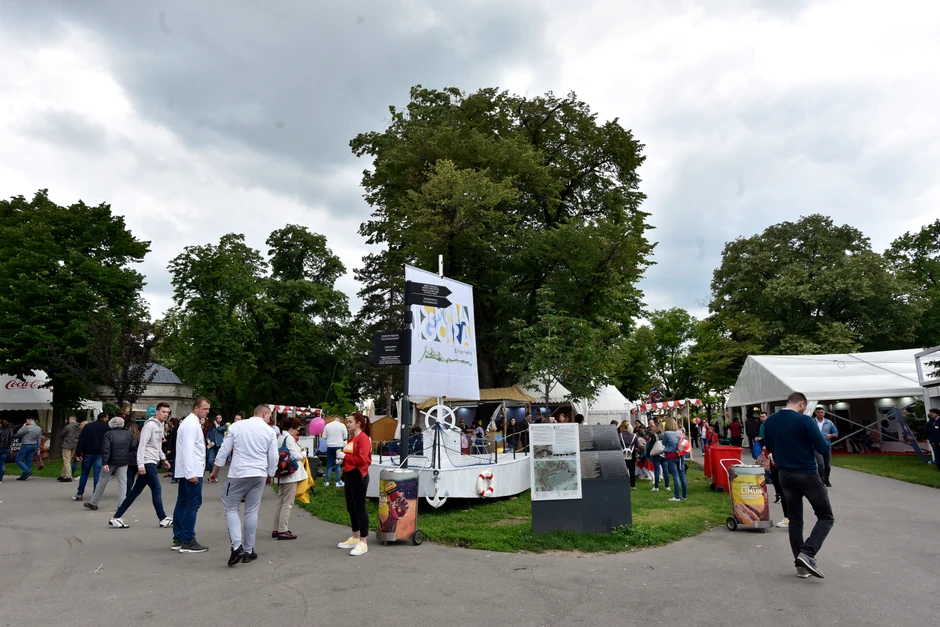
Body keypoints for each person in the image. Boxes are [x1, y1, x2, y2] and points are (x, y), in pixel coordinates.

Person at [763, 391, 833, 579]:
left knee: (795, 520)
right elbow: (822, 448)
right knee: (826, 517)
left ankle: (801, 567)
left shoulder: (770, 421)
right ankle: (807, 553)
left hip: (784, 474)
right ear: (801, 404)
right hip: (807, 473)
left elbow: (769, 446)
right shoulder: (805, 421)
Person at [208, 404, 277, 566]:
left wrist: (215, 470)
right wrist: (270, 474)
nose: (270, 419)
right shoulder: (269, 431)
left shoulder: (237, 426)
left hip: (239, 473)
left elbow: (224, 449)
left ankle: (237, 546)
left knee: (231, 509)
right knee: (252, 511)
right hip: (259, 473)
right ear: (264, 414)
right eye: (269, 416)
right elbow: (273, 456)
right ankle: (248, 550)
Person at [109, 402, 173, 530]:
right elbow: (142, 445)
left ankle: (116, 517)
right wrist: (141, 465)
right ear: (157, 412)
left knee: (134, 492)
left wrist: (163, 458)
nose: (166, 414)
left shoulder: (160, 425)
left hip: (152, 461)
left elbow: (157, 445)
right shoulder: (149, 425)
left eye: (167, 412)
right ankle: (162, 518)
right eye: (163, 412)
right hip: (147, 462)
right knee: (156, 489)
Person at [173, 397, 211, 554]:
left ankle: (179, 538)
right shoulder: (191, 424)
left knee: (183, 503)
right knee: (192, 503)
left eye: (208, 409)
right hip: (192, 470)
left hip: (188, 470)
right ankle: (188, 540)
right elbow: (188, 449)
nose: (207, 412)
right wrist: (190, 472)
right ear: (196, 408)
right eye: (205, 408)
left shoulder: (190, 423)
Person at [336, 412, 372, 557]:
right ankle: (355, 537)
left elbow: (363, 460)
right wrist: (342, 460)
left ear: (358, 423)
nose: (348, 424)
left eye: (350, 421)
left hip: (359, 475)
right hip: (349, 475)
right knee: (351, 507)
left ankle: (363, 541)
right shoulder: (352, 438)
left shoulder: (363, 438)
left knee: (360, 508)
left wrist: (345, 457)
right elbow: (352, 457)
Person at [85, 417, 135, 511]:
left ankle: (94, 502)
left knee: (102, 481)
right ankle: (121, 505)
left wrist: (105, 463)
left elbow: (106, 449)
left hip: (110, 461)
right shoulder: (128, 434)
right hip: (123, 461)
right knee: (122, 483)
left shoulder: (108, 434)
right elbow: (133, 447)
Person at [270, 417, 307, 541]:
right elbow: (295, 456)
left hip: (282, 474)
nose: (298, 432)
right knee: (288, 503)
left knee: (280, 503)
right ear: (291, 429)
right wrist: (304, 453)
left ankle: (276, 528)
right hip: (291, 474)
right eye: (297, 429)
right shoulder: (289, 439)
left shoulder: (280, 438)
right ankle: (283, 529)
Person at [73, 413, 111, 497]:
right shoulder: (107, 427)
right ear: (104, 418)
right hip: (100, 453)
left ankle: (80, 493)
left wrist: (78, 453)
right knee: (97, 474)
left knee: (84, 473)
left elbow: (81, 440)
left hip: (88, 452)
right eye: (107, 417)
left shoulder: (88, 426)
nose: (107, 419)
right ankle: (95, 494)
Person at [661, 418, 688, 502]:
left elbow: (663, 443)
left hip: (671, 456)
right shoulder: (680, 432)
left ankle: (677, 496)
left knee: (675, 476)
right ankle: (684, 495)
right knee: (682, 476)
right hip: (680, 455)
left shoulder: (667, 433)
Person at [812, 407, 838, 487]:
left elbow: (836, 433)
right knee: (820, 463)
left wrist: (831, 435)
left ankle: (826, 479)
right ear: (815, 413)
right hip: (816, 446)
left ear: (824, 413)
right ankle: (821, 480)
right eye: (818, 412)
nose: (820, 414)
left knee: (828, 465)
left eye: (822, 412)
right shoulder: (812, 422)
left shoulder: (829, 423)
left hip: (826, 445)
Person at [322, 415, 348, 487]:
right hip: (339, 446)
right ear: (339, 420)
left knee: (329, 463)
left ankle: (327, 481)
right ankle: (337, 481)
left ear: (334, 420)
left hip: (330, 446)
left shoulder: (327, 425)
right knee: (338, 463)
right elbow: (345, 436)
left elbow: (324, 436)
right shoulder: (342, 425)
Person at [645, 422, 669, 492]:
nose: (653, 428)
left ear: (657, 427)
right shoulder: (665, 434)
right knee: (665, 470)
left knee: (657, 471)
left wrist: (648, 454)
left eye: (654, 426)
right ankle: (667, 486)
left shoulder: (655, 436)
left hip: (657, 454)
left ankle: (656, 486)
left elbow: (651, 445)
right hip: (664, 454)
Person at [57, 415, 82, 482]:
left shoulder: (68, 427)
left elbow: (61, 434)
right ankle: (63, 474)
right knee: (68, 460)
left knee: (66, 460)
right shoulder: (79, 427)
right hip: (75, 445)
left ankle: (68, 476)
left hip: (67, 445)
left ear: (70, 419)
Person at [619, 421, 638, 490]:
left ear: (624, 427)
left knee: (623, 469)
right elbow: (637, 445)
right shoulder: (634, 436)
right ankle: (633, 485)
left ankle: (623, 484)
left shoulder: (620, 435)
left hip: (623, 453)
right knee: (632, 470)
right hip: (632, 453)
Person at [0, 419, 13, 483]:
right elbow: (11, 440)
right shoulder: (9, 431)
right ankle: (0, 479)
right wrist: (10, 448)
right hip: (6, 448)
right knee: (2, 463)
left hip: (1, 447)